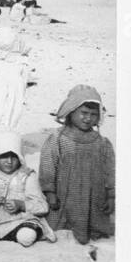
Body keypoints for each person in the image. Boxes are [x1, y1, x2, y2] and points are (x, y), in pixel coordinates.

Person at [38, 85, 115, 245]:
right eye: (84, 113)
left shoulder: (102, 143)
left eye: (93, 115)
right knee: (62, 228)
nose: (88, 118)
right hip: (64, 194)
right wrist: (50, 192)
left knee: (95, 229)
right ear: (71, 111)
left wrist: (111, 195)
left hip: (94, 194)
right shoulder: (57, 138)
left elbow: (110, 172)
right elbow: (47, 166)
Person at [0, 131, 55, 246]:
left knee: (26, 236)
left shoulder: (27, 175)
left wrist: (21, 205)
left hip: (19, 221)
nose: (9, 161)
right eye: (4, 156)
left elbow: (42, 206)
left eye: (14, 157)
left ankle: (11, 236)